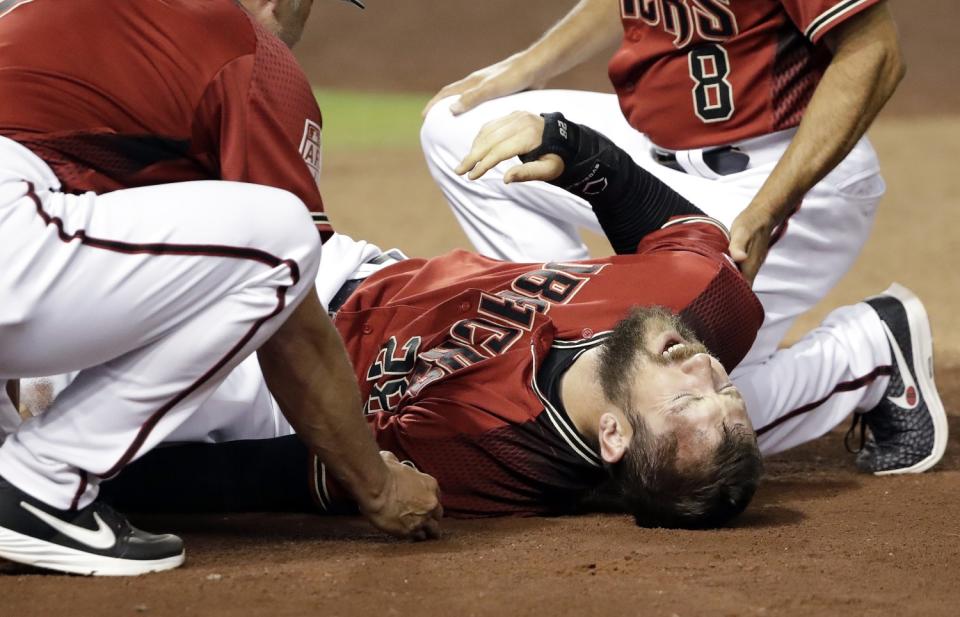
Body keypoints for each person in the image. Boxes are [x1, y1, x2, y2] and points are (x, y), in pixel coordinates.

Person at [94, 113, 943, 526]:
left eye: (691, 398)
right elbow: (674, 229)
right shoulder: (694, 308)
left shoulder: (492, 453)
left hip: (283, 374)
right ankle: (869, 347)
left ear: (612, 436)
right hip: (354, 265)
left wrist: (101, 481)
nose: (705, 368)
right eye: (724, 385)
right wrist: (569, 142)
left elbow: (285, 471)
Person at [0, 0, 440, 578]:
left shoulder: (60, 21)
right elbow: (293, 324)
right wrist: (378, 487)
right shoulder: (248, 52)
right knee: (280, 242)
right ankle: (44, 484)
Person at [417, 1, 934, 470]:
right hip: (654, 159)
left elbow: (876, 52)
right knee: (454, 126)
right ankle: (571, 345)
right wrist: (525, 66)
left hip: (780, 176)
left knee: (659, 429)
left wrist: (764, 210)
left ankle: (868, 351)